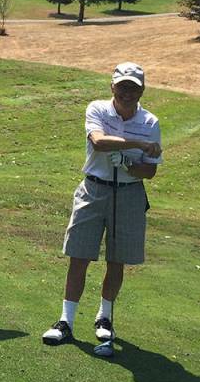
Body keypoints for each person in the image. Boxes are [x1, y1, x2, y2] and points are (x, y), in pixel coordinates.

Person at [42, 62, 162, 348]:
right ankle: (65, 322)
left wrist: (129, 164)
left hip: (129, 193)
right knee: (79, 255)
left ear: (142, 90)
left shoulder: (150, 122)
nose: (127, 93)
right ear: (112, 87)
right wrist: (136, 145)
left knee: (116, 259)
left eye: (133, 88)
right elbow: (98, 141)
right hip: (93, 189)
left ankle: (104, 319)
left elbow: (150, 171)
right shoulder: (97, 109)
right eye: (122, 87)